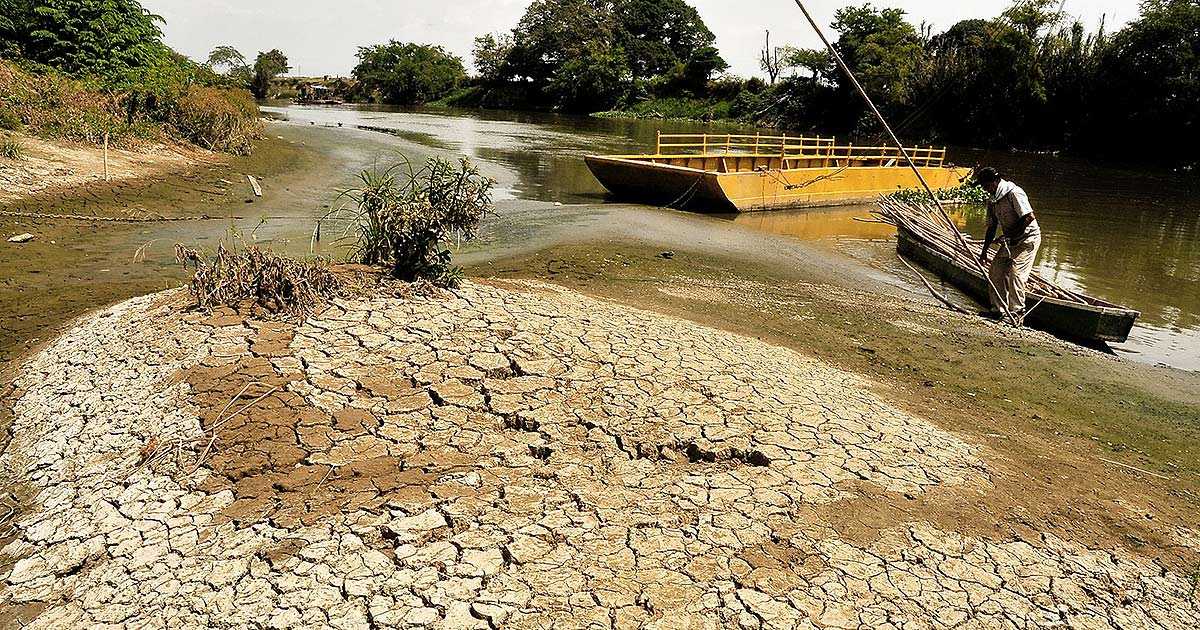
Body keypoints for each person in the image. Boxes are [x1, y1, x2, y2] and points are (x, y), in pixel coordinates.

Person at [975, 167, 1041, 323]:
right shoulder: (992, 200)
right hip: (1010, 241)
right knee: (995, 272)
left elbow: (1028, 217)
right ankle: (998, 310)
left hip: (1027, 240)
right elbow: (992, 227)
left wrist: (1008, 235)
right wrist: (984, 251)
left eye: (986, 185)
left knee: (1016, 274)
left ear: (995, 181)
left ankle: (1018, 313)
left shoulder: (1014, 193)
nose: (985, 189)